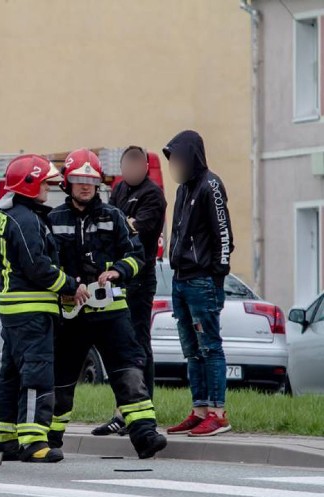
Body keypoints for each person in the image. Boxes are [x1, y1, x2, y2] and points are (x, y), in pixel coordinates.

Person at [48, 148, 167, 459]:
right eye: (78, 180)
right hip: (71, 314)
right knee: (62, 380)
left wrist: (118, 270)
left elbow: (137, 255)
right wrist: (68, 285)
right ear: (67, 183)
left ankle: (145, 435)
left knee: (129, 371)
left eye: (91, 180)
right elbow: (46, 263)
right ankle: (51, 439)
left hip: (111, 314)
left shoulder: (114, 217)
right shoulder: (52, 220)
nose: (85, 186)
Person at [0, 154, 89, 463]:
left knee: (10, 374)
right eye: (45, 183)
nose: (50, 188)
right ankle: (34, 441)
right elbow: (38, 267)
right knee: (37, 373)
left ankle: (5, 437)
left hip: (13, 310)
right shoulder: (27, 219)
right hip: (31, 311)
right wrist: (71, 286)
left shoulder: (9, 215)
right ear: (30, 184)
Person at [163, 130, 235, 437]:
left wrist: (216, 275)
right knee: (191, 350)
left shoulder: (211, 185)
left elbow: (223, 234)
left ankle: (218, 413)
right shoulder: (183, 190)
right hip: (181, 280)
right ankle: (200, 408)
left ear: (191, 156)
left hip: (202, 280)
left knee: (210, 347)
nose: (174, 165)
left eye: (177, 158)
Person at [93, 146, 167, 436]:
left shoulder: (152, 194)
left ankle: (140, 409)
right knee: (118, 347)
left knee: (137, 344)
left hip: (139, 278)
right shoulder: (120, 189)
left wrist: (117, 225)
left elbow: (134, 227)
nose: (130, 172)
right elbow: (110, 221)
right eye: (125, 166)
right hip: (116, 278)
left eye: (135, 166)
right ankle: (121, 411)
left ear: (145, 167)